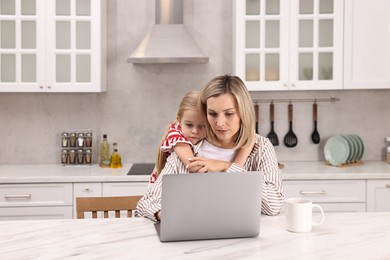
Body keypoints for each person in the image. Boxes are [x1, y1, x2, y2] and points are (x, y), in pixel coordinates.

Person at [136, 75, 284, 221]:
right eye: (212, 114)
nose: (219, 123)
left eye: (229, 114)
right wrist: (166, 216)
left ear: (243, 113)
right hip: (193, 240)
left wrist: (226, 167)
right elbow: (146, 203)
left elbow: (273, 205)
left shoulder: (261, 147)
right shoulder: (189, 149)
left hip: (243, 241)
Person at [148, 90, 253, 187]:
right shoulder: (176, 137)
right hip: (161, 191)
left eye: (202, 126)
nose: (194, 131)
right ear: (178, 121)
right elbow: (193, 166)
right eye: (189, 125)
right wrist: (229, 166)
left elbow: (250, 136)